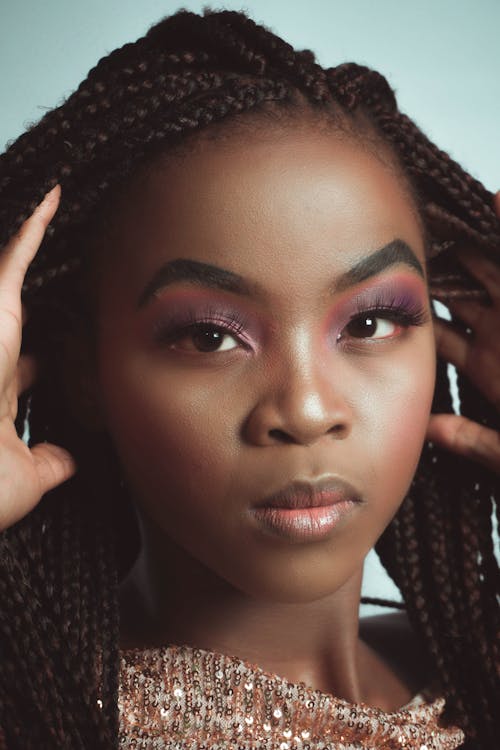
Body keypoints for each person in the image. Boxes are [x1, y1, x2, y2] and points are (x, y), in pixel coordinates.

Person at [0, 8, 498, 749]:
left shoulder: (479, 667)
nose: (305, 409)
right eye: (209, 336)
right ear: (85, 373)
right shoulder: (38, 717)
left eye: (368, 323)